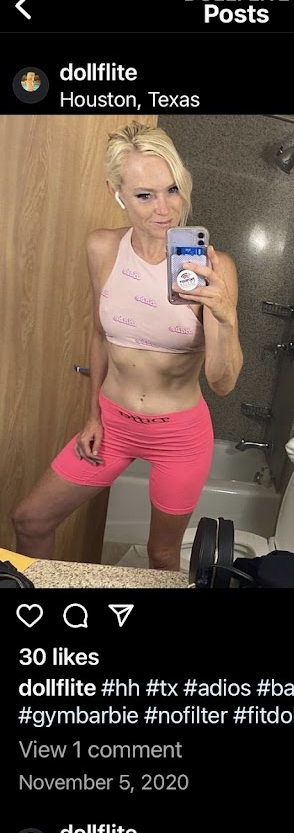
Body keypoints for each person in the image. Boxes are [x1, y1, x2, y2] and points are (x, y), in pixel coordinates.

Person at [12, 122, 243, 570]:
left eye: (172, 189)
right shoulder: (102, 247)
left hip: (179, 436)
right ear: (116, 192)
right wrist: (92, 414)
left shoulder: (216, 268)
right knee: (30, 520)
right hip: (112, 424)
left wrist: (225, 315)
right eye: (145, 195)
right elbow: (100, 335)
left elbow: (222, 383)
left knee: (162, 554)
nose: (165, 209)